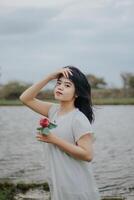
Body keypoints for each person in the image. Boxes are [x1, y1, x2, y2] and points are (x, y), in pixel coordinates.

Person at [19, 66, 101, 200]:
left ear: (77, 93)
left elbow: (88, 155)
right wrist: (50, 77)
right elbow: (25, 98)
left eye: (67, 85)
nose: (60, 87)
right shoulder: (53, 111)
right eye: (58, 83)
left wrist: (54, 140)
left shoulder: (78, 119)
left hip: (77, 186)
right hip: (59, 184)